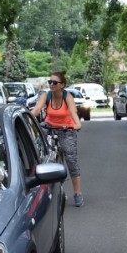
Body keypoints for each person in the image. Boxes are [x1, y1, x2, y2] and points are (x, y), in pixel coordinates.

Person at [30, 71, 84, 207]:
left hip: (66, 129)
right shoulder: (46, 95)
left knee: (71, 159)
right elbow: (36, 110)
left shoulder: (68, 97)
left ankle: (77, 193)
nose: (51, 85)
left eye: (55, 82)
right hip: (48, 127)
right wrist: (27, 119)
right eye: (50, 82)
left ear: (62, 85)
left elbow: (73, 113)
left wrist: (77, 124)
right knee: (41, 157)